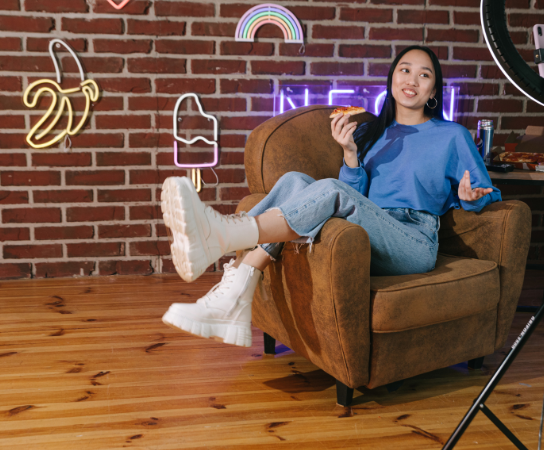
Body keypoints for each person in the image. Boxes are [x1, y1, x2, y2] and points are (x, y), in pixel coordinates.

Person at [160, 45, 501, 347]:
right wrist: (350, 154)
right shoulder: (372, 133)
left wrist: (471, 197)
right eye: (405, 70)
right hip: (368, 234)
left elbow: (489, 193)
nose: (412, 80)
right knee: (294, 181)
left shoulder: (452, 135)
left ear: (433, 91)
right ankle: (235, 293)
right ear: (392, 80)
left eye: (424, 75)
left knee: (329, 189)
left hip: (413, 242)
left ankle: (223, 237)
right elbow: (353, 197)